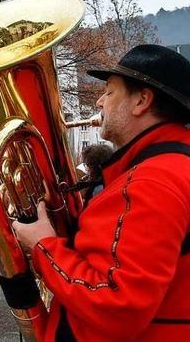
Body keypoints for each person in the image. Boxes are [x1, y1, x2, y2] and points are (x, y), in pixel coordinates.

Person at [12, 44, 190, 341]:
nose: (99, 102)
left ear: (141, 101)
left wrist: (44, 246)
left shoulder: (151, 182)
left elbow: (120, 305)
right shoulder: (165, 168)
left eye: (109, 92)